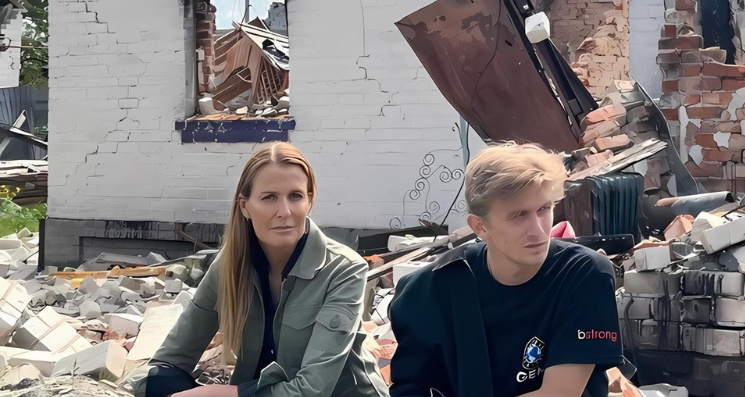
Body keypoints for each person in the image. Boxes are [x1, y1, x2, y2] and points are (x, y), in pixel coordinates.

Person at [134, 142, 388, 397]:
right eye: (269, 197)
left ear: (309, 201)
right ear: (245, 206)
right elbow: (172, 359)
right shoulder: (229, 265)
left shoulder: (344, 270)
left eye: (295, 196)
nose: (285, 212)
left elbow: (313, 389)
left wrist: (226, 394)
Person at [388, 142, 624, 397]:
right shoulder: (432, 289)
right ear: (479, 227)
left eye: (544, 209)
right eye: (518, 215)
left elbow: (559, 394)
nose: (537, 229)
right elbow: (412, 388)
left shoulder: (583, 273)